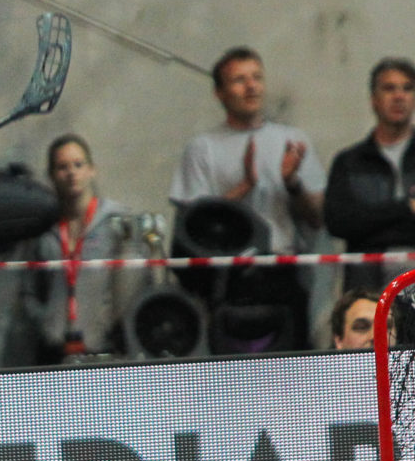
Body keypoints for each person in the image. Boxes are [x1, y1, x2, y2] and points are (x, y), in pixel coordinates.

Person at [169, 46, 326, 350]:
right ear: (219, 92)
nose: (251, 86)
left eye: (257, 77)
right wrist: (242, 188)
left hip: (282, 272)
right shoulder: (203, 148)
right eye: (239, 80)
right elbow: (193, 230)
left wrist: (292, 182)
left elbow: (317, 217)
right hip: (227, 280)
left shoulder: (291, 140)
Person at [29, 134, 147, 361]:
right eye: (62, 167)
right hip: (54, 350)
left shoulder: (118, 221)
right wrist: (45, 324)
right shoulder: (42, 228)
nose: (72, 172)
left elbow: (134, 286)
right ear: (52, 176)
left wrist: (112, 325)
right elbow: (28, 291)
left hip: (106, 348)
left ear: (92, 170)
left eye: (78, 164)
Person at [324, 57, 415, 291]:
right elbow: (340, 223)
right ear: (373, 100)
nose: (399, 96)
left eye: (407, 88)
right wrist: (405, 208)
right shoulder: (349, 161)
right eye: (389, 88)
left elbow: (360, 222)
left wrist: (374, 223)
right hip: (366, 282)